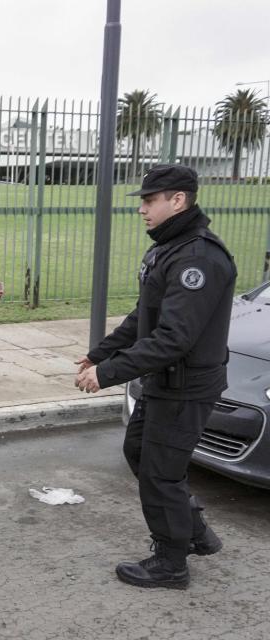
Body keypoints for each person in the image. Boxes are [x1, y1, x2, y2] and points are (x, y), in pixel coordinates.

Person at [75, 164, 236, 590]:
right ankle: (193, 530)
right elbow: (143, 316)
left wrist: (106, 373)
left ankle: (171, 563)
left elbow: (173, 339)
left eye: (150, 200)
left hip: (185, 385)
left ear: (177, 200)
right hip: (164, 382)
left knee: (161, 472)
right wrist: (100, 352)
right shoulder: (170, 248)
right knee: (140, 453)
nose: (142, 209)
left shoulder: (198, 258)